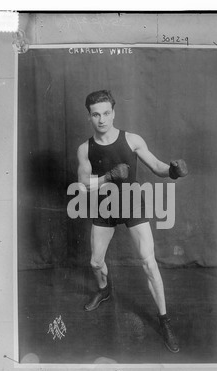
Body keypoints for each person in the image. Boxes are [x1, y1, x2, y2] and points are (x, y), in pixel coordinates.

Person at [77, 89, 188, 353]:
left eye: (106, 113)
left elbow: (158, 166)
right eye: (96, 114)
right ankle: (104, 291)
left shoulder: (132, 140)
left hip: (131, 202)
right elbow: (82, 184)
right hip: (104, 204)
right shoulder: (85, 148)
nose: (102, 119)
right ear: (89, 117)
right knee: (95, 262)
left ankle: (164, 320)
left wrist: (172, 171)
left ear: (113, 113)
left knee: (149, 262)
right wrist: (108, 177)